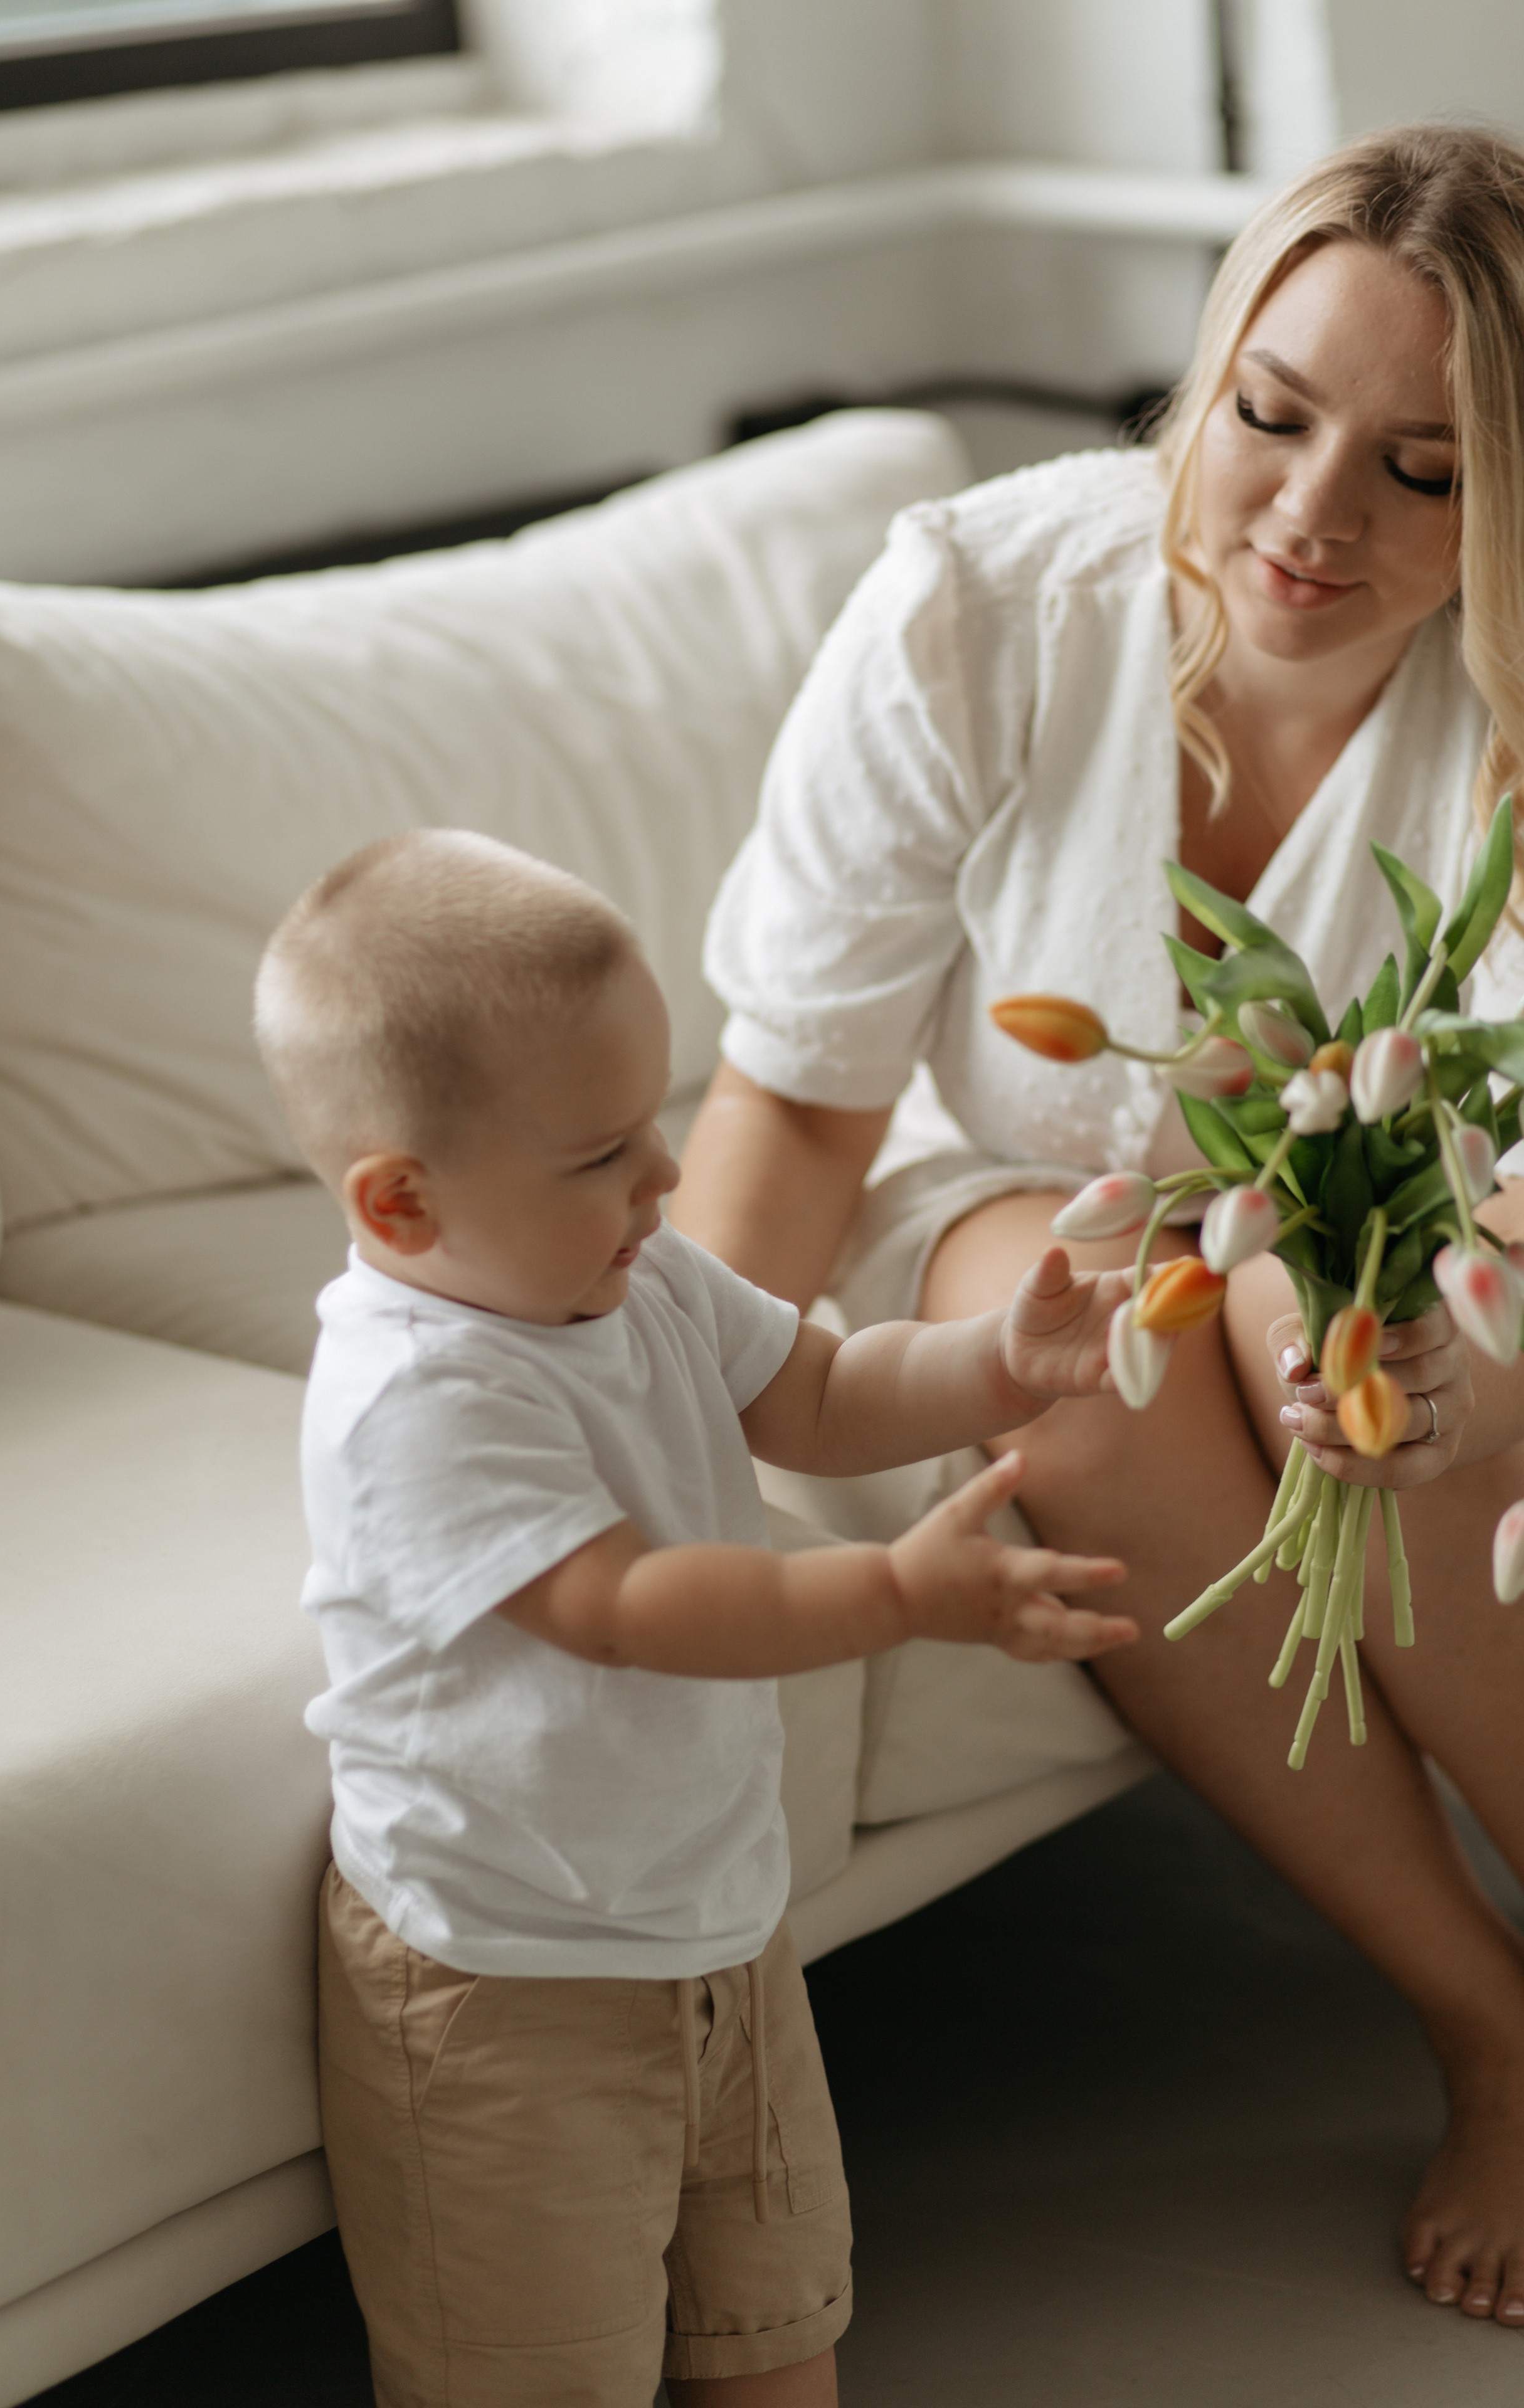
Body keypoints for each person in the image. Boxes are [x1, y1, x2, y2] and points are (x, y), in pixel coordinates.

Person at [675, 120, 1524, 2330]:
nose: (1313, 519)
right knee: (1149, 1313)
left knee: (1299, 1306)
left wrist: (1434, 1377)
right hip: (993, 1190)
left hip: (1442, 1266)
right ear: (1209, 372)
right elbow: (794, 1097)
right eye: (1270, 415)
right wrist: (650, 1463)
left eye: (1424, 472)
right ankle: (1492, 2029)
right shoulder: (983, 605)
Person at [253, 826, 1142, 2408]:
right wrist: (889, 1592)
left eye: (653, 1126)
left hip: (715, 1929)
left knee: (776, 2333)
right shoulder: (418, 1393)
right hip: (508, 1985)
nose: (664, 1176)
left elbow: (813, 1388)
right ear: (399, 1207)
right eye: (601, 1154)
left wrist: (1000, 1360)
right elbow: (621, 1604)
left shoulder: (631, 1272)